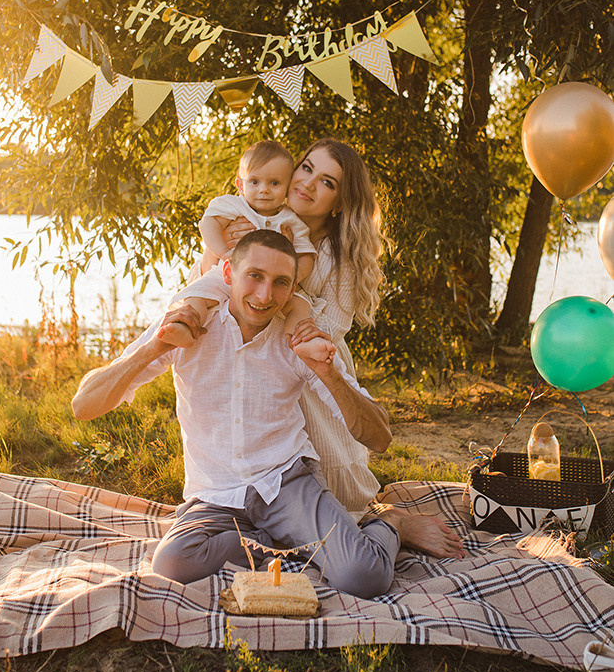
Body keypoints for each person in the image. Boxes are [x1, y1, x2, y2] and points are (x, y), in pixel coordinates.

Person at [72, 230, 463, 597]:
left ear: (293, 289)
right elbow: (83, 405)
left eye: (280, 282)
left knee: (365, 577)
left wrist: (327, 372)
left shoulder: (299, 339)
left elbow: (379, 437)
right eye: (254, 276)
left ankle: (389, 522)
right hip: (215, 495)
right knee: (172, 563)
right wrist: (152, 349)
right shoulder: (188, 324)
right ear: (227, 272)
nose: (264, 294)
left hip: (286, 482)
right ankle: (283, 540)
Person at [216, 138, 387, 520]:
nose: (307, 183)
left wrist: (279, 302)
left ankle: (365, 519)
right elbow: (215, 278)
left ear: (340, 201)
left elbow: (331, 327)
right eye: (307, 168)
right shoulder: (253, 218)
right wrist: (224, 247)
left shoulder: (338, 255)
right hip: (256, 355)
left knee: (325, 478)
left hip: (308, 362)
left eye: (327, 182)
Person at [169, 139, 330, 360]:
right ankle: (186, 326)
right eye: (254, 182)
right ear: (240, 185)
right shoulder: (233, 205)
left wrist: (293, 278)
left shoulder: (290, 221)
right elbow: (208, 224)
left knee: (300, 305)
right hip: (227, 275)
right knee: (199, 292)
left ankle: (300, 342)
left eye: (274, 183)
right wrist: (223, 252)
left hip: (268, 284)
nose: (263, 190)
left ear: (287, 188)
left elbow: (306, 256)